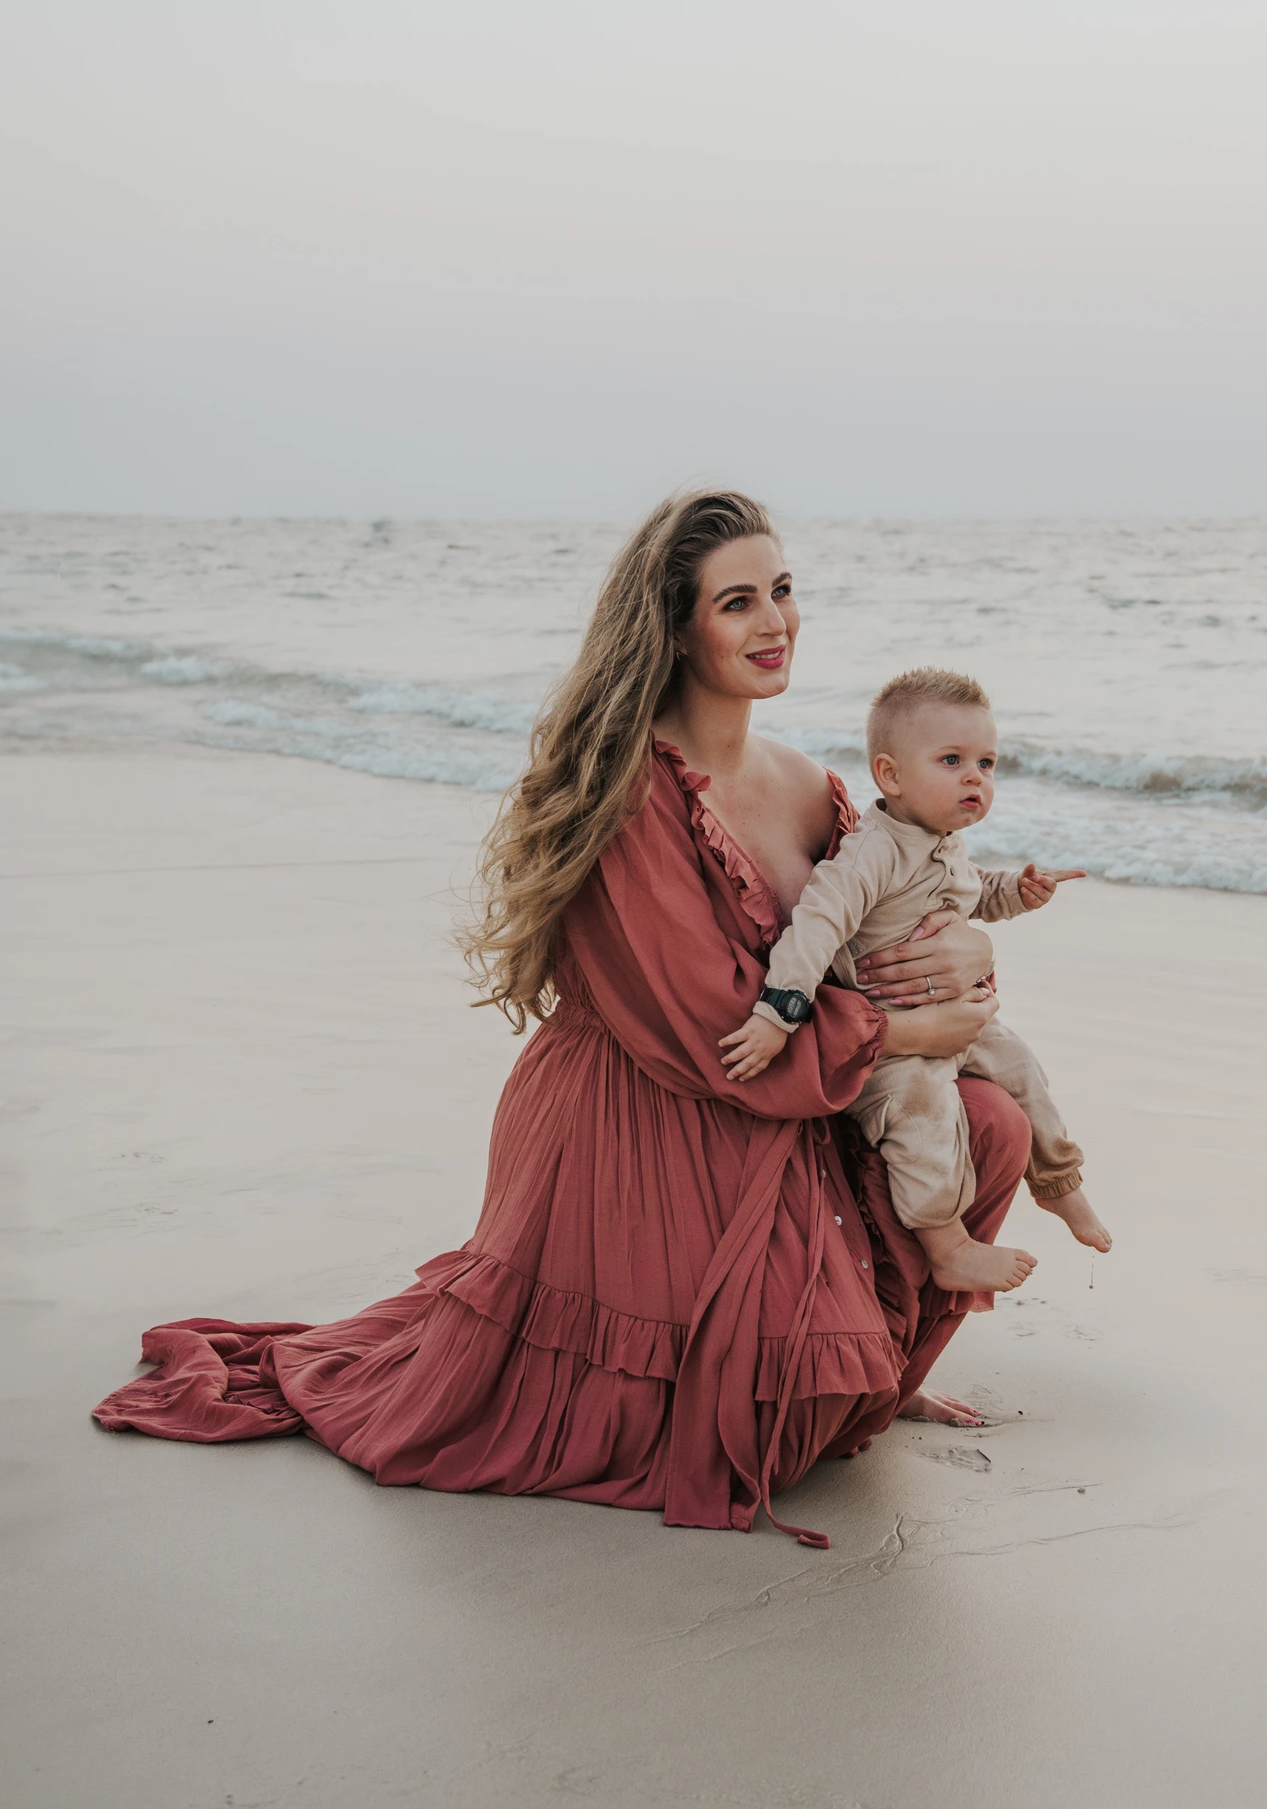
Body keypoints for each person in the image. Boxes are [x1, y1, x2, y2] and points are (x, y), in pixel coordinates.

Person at [93, 490, 1032, 1550]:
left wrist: (970, 958)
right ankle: (841, 1374)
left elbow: (883, 931)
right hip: (650, 1107)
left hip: (786, 1085)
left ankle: (882, 1376)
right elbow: (705, 1028)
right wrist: (906, 1035)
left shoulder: (814, 787)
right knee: (767, 1413)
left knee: (992, 1125)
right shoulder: (630, 792)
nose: (775, 623)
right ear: (677, 628)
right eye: (737, 603)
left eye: (782, 590)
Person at [720, 666, 1112, 1297]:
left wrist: (1018, 892)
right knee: (924, 1111)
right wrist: (777, 1014)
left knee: (1022, 1068)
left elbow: (973, 893)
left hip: (956, 1020)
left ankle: (1060, 1185)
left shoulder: (944, 841)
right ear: (891, 774)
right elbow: (817, 924)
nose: (974, 779)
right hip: (891, 1042)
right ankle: (947, 1243)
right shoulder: (872, 852)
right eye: (952, 759)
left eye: (987, 764)